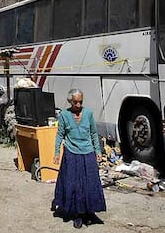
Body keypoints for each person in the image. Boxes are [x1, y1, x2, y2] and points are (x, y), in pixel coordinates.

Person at [53, 88, 106, 229]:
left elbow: (94, 133)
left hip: (87, 152)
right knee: (74, 184)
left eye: (80, 102)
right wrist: (57, 153)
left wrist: (98, 151)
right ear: (70, 102)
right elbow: (60, 135)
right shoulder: (64, 115)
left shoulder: (88, 114)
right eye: (75, 102)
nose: (78, 105)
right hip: (71, 152)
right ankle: (77, 214)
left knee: (90, 184)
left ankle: (90, 212)